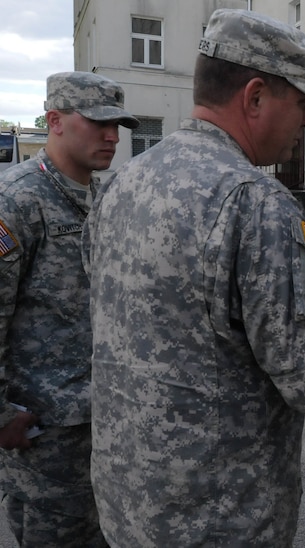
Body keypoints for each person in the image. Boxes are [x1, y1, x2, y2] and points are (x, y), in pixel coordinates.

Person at [81, 9, 305, 546]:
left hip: (128, 502)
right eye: (302, 101)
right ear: (255, 96)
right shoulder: (254, 200)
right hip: (218, 518)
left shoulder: (121, 184)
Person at [0, 71, 139, 547]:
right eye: (98, 123)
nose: (112, 136)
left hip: (106, 424)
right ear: (54, 121)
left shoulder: (104, 198)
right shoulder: (15, 201)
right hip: (45, 440)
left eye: (118, 125)